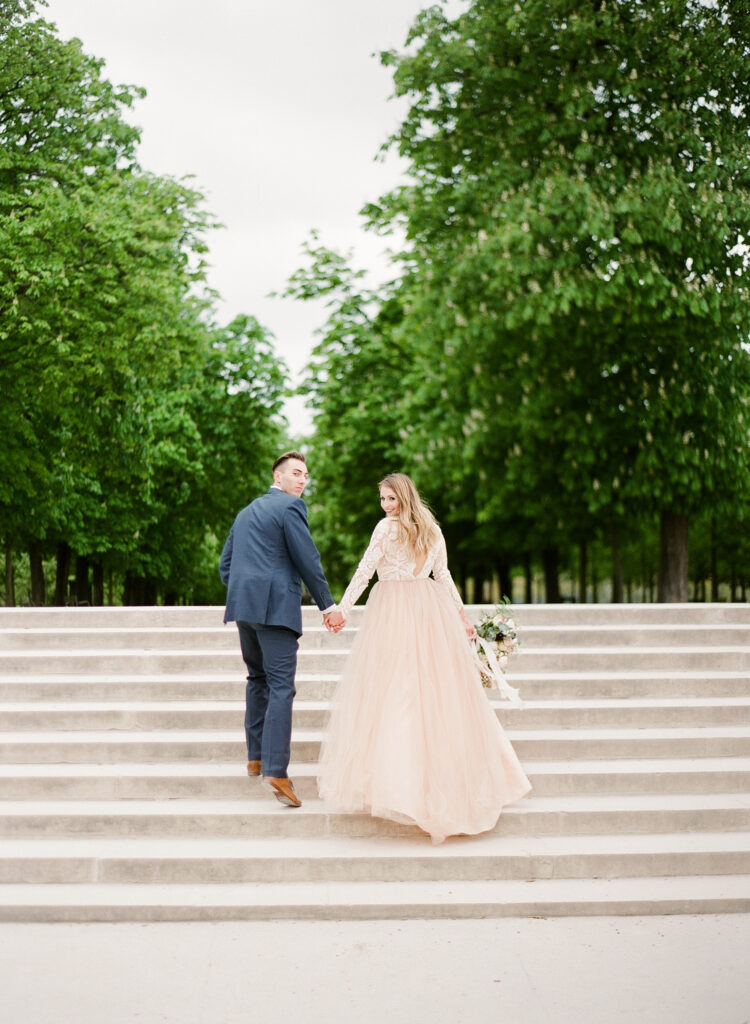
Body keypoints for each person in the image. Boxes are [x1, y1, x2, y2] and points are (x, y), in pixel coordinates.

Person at [318, 473, 531, 843]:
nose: (386, 505)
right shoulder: (429, 528)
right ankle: (412, 784)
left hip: (399, 610)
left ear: (404, 497)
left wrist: (344, 610)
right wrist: (459, 615)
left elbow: (374, 572)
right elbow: (435, 575)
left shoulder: (391, 530)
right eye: (382, 499)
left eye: (391, 498)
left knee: (407, 690)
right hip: (422, 609)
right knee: (412, 689)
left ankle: (403, 787)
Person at [219, 451, 343, 808]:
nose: (302, 480)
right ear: (278, 476)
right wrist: (328, 605)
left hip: (244, 608)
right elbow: (308, 558)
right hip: (274, 609)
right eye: (296, 473)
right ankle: (276, 770)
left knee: (257, 680)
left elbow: (225, 565)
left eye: (305, 475)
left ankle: (256, 757)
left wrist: (245, 590)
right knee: (280, 687)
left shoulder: (245, 513)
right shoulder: (290, 508)